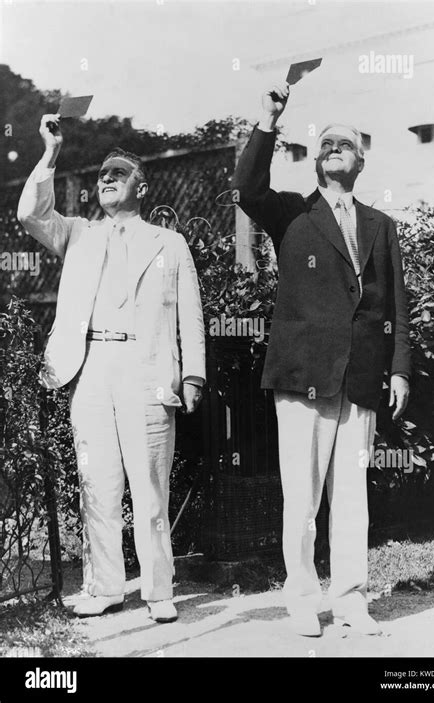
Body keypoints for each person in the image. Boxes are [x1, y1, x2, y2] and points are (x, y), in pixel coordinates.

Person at [232, 83, 410, 636]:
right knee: (302, 497)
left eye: (347, 144)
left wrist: (399, 367)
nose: (335, 147)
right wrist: (269, 119)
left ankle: (352, 600)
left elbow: (396, 305)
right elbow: (246, 185)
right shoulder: (290, 214)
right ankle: (304, 597)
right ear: (314, 160)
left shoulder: (382, 226)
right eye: (327, 143)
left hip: (360, 377)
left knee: (352, 498)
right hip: (304, 374)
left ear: (361, 161)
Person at [18, 115, 206, 621]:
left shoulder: (168, 244)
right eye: (103, 175)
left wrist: (192, 376)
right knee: (96, 483)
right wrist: (50, 155)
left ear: (141, 187)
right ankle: (103, 587)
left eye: (118, 174)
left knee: (149, 486)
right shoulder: (77, 233)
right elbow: (31, 214)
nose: (106, 180)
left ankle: (159, 592)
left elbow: (190, 312)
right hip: (92, 366)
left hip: (146, 369)